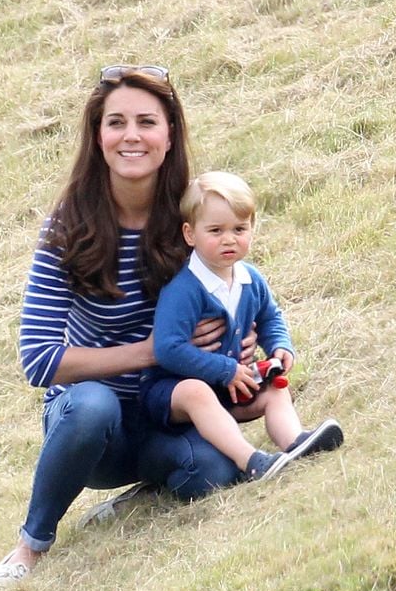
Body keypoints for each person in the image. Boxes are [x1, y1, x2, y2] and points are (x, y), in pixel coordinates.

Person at [0, 65, 258, 589]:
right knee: (92, 403)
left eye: (146, 122)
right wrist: (155, 350)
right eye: (116, 123)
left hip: (168, 416)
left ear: (170, 133)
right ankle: (31, 544)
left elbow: (237, 294)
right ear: (98, 135)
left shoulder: (193, 218)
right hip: (92, 432)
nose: (131, 136)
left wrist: (242, 337)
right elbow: (38, 359)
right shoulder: (68, 226)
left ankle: (140, 494)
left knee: (214, 475)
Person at [139, 172, 343, 482]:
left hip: (227, 386)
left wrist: (279, 346)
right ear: (190, 234)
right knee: (196, 391)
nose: (229, 239)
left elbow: (269, 317)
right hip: (172, 393)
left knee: (274, 388)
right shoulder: (183, 289)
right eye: (216, 230)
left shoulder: (250, 279)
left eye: (239, 229)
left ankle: (295, 441)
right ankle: (251, 460)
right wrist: (223, 368)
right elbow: (166, 349)